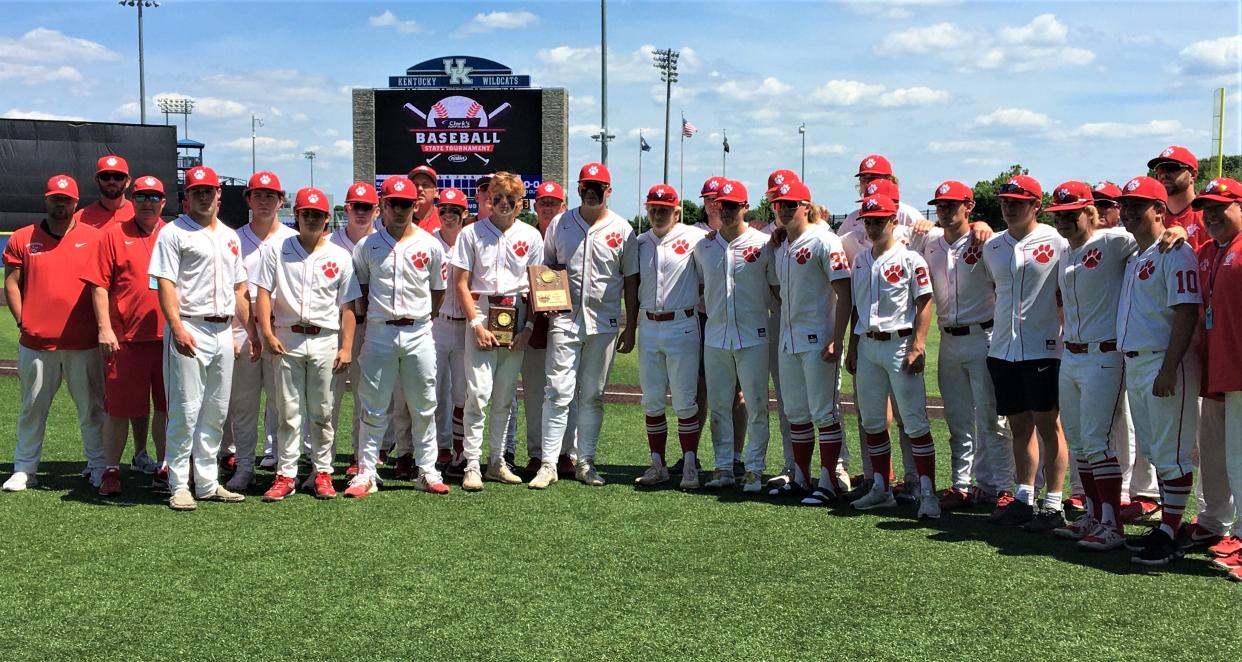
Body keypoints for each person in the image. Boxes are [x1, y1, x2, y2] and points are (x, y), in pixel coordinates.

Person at [148, 165, 253, 510]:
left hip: (222, 329)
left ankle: (207, 482)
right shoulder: (174, 232)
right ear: (186, 196)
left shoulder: (230, 236)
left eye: (209, 190)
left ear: (219, 195)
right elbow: (165, 282)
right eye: (197, 191)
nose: (204, 196)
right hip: (190, 324)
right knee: (185, 409)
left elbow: (239, 289)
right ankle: (179, 482)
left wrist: (250, 330)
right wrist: (176, 325)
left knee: (215, 411)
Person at [1041, 181, 1137, 546]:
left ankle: (1112, 525)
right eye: (1059, 215)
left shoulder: (1114, 241)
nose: (1064, 220)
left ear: (1090, 212)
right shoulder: (1065, 251)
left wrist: (1174, 228)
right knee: (1080, 441)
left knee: (1097, 441)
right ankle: (1095, 517)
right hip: (1073, 354)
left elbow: (1152, 239)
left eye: (1071, 213)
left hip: (1105, 353)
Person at [1115, 175, 1202, 565]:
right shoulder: (1137, 255)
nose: (1129, 211)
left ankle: (1170, 532)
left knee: (1172, 452)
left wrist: (1169, 368)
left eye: (1137, 204)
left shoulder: (1176, 252)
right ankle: (1168, 524)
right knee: (1154, 449)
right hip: (1137, 361)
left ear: (1159, 210)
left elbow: (1186, 312)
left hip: (1165, 361)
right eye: (1125, 204)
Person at [911, 181, 1013, 511]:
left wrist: (985, 225)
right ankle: (961, 484)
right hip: (949, 340)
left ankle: (1001, 487)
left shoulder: (987, 240)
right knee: (957, 420)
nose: (944, 211)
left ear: (968, 207)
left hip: (984, 336)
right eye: (940, 205)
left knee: (991, 419)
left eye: (951, 205)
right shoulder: (930, 243)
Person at [346, 175, 449, 498]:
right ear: (383, 205)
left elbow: (438, 293)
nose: (401, 209)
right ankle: (366, 472)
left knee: (423, 405)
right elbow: (360, 289)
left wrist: (419, 318)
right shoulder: (368, 245)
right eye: (394, 203)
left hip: (418, 330)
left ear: (415, 205)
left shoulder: (430, 244)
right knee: (373, 406)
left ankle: (427, 469)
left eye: (406, 204)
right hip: (379, 331)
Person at [253, 187, 358, 501]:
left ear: (327, 218)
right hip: (287, 335)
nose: (311, 219)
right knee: (287, 411)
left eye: (317, 214)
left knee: (323, 411)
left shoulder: (340, 255)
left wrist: (347, 346)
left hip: (325, 337)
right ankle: (286, 474)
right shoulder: (277, 249)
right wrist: (268, 333)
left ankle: (322, 472)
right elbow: (261, 292)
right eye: (305, 213)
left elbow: (349, 306)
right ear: (296, 216)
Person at [538, 163, 638, 487]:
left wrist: (631, 324)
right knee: (557, 391)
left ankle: (586, 461)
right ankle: (549, 464)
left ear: (609, 190)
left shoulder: (623, 229)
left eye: (598, 185)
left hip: (605, 321)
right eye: (586, 185)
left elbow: (631, 281)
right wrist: (548, 303)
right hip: (565, 319)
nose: (592, 190)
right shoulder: (560, 223)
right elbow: (548, 267)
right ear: (578, 188)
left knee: (593, 394)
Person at [2, 175, 105, 492]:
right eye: (55, 198)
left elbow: (103, 286)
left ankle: (98, 465)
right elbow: (11, 282)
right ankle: (24, 468)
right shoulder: (22, 237)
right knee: (32, 408)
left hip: (83, 342)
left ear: (76, 203)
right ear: (46, 200)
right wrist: (23, 321)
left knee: (92, 409)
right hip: (36, 343)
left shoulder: (95, 238)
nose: (60, 203)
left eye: (66, 199)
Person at [982, 175, 1071, 528]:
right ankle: (1024, 496)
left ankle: (1053, 503)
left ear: (1036, 205)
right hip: (1003, 348)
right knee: (1019, 426)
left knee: (1050, 426)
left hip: (1042, 347)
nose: (1008, 207)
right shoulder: (993, 247)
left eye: (1017, 202)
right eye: (1004, 201)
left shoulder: (1056, 240)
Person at [845, 194, 939, 519]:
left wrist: (918, 344)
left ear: (893, 222)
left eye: (878, 221)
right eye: (868, 221)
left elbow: (925, 302)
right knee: (872, 421)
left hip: (900, 342)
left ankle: (928, 493)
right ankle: (881, 488)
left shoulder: (912, 259)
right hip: (868, 343)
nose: (872, 226)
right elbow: (857, 307)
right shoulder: (860, 260)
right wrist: (853, 346)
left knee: (914, 421)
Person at [452, 172, 545, 490]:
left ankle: (497, 461)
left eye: (511, 199)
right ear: (489, 199)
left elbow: (537, 287)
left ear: (521, 203)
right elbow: (460, 284)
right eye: (498, 198)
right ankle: (472, 464)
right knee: (477, 394)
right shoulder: (471, 233)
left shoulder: (532, 236)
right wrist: (476, 323)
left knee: (505, 397)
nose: (504, 204)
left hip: (516, 317)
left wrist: (529, 327)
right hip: (482, 313)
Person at [82, 175, 170, 495]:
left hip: (168, 339)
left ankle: (164, 465)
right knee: (118, 408)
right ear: (133, 200)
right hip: (126, 339)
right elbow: (99, 285)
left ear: (164, 202)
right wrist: (104, 327)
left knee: (166, 407)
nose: (148, 201)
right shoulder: (113, 235)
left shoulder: (173, 234)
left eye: (154, 196)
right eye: (142, 196)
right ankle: (110, 469)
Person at [769, 180, 852, 504]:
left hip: (819, 340)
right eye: (779, 204)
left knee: (823, 413)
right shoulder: (781, 244)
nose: (784, 209)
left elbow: (844, 293)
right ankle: (801, 478)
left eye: (790, 204)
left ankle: (828, 482)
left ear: (806, 205)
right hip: (789, 341)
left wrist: (837, 338)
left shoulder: (824, 240)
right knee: (796, 413)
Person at [692, 180, 776, 493]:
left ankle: (754, 468)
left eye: (732, 206)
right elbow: (700, 286)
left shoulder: (764, 244)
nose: (725, 211)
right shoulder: (704, 246)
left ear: (745, 207)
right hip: (715, 336)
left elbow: (776, 288)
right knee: (718, 405)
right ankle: (723, 466)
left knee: (755, 404)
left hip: (754, 335)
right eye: (721, 205)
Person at [223, 171, 296, 490]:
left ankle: (283, 465)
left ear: (281, 200)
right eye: (258, 195)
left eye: (271, 195)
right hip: (241, 328)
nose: (264, 201)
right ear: (248, 199)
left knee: (284, 403)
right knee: (243, 404)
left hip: (283, 329)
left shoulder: (292, 240)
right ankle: (244, 466)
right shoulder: (233, 238)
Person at [1094, 179, 1162, 520]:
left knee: (1141, 428)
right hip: (1118, 350)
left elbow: (1163, 234)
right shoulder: (1110, 244)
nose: (1101, 210)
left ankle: (1146, 493)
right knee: (1118, 424)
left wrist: (1175, 231)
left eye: (1107, 204)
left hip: (1150, 351)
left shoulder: (1131, 240)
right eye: (1097, 203)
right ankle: (1122, 490)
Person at [633, 184, 706, 489]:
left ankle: (689, 464)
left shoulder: (696, 238)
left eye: (664, 209)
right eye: (653, 208)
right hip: (648, 324)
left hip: (683, 323)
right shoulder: (638, 241)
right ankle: (657, 464)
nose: (658, 213)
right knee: (651, 400)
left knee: (685, 400)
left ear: (678, 211)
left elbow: (706, 278)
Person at [510, 180, 578, 478]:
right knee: (536, 391)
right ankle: (538, 454)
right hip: (532, 324)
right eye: (543, 202)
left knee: (567, 391)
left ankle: (567, 453)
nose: (548, 207)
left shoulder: (572, 232)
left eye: (554, 202)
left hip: (567, 322)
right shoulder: (525, 234)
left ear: (564, 205)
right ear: (534, 206)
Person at [1192, 177, 1242, 580]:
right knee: (1214, 453)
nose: (1210, 215)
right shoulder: (1207, 251)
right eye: (1206, 208)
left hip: (1239, 368)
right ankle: (1214, 521)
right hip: (1216, 367)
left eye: (1220, 208)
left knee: (1240, 457)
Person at [331, 182, 379, 476]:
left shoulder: (384, 241)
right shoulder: (328, 242)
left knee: (367, 396)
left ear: (377, 210)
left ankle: (361, 457)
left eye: (367, 207)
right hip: (335, 326)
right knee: (328, 397)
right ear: (346, 208)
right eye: (355, 206)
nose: (361, 212)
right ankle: (322, 458)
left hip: (371, 328)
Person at [427, 188, 469, 476]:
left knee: (462, 394)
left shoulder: (473, 240)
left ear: (464, 214)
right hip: (437, 323)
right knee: (433, 391)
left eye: (455, 210)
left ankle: (460, 451)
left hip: (466, 325)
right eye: (444, 210)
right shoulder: (429, 243)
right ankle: (438, 448)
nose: (449, 215)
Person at [1148, 146, 1206, 250]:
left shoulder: (1208, 214)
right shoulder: (1152, 215)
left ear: (1193, 174)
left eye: (1171, 167)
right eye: (1159, 169)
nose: (1164, 174)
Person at [75, 155, 134, 231]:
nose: (111, 181)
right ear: (97, 180)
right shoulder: (80, 218)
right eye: (105, 176)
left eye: (118, 177)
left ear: (128, 181)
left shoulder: (139, 215)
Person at [408, 164, 441, 232]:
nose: (419, 189)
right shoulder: (402, 218)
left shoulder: (444, 217)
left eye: (425, 185)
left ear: (436, 192)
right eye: (415, 185)